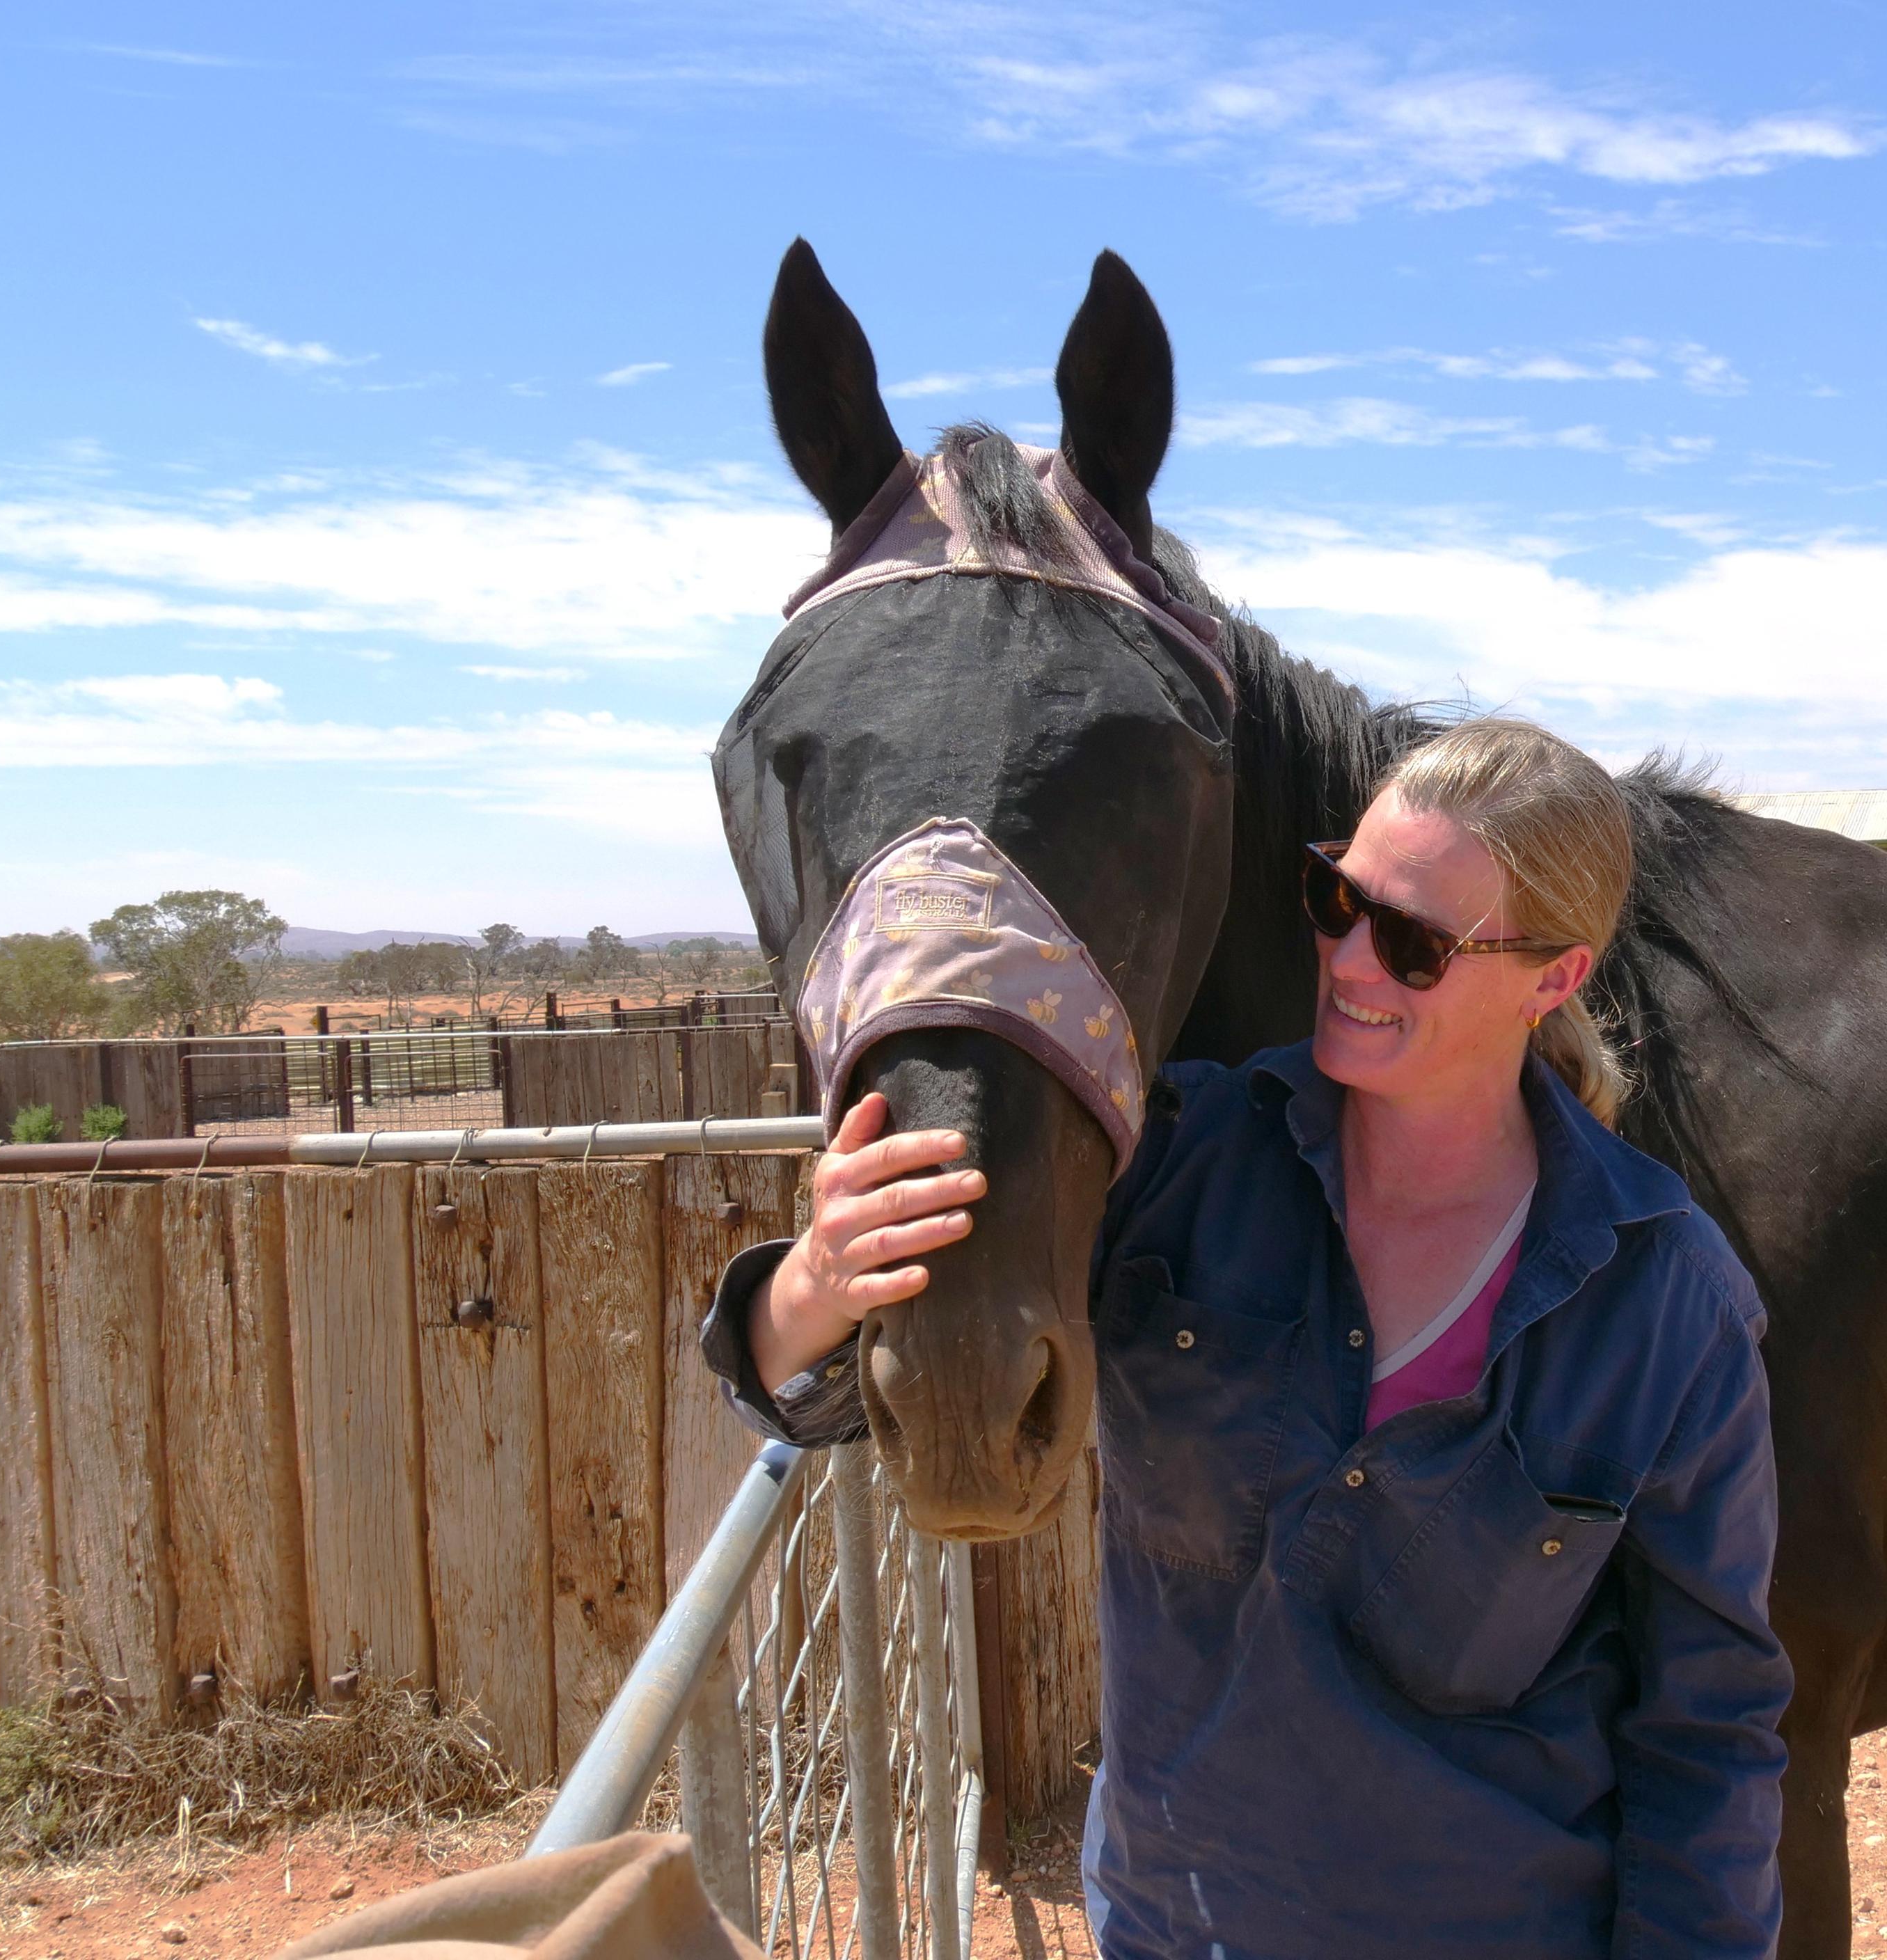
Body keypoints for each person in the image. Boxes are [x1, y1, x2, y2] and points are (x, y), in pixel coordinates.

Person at [704, 718, 1790, 1959]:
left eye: (1415, 944)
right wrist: (820, 1281)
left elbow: (1708, 1729)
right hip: (1170, 1928)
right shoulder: (1181, 1171)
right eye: (1339, 899)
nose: (1350, 961)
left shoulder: (1664, 1306)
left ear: (1555, 979)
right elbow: (816, 1385)